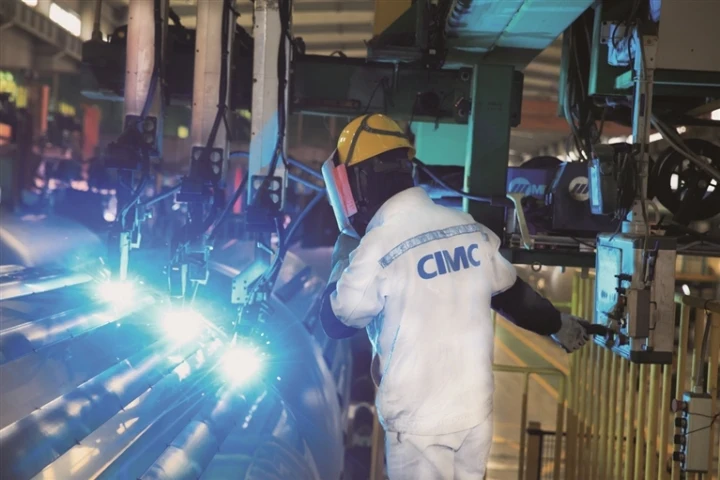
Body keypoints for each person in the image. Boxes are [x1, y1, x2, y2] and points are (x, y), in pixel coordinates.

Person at [319, 113, 592, 479]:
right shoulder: (465, 227)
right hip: (473, 415)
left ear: (357, 182)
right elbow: (512, 296)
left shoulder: (378, 246)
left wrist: (341, 259)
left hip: (419, 424)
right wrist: (557, 324)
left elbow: (337, 321)